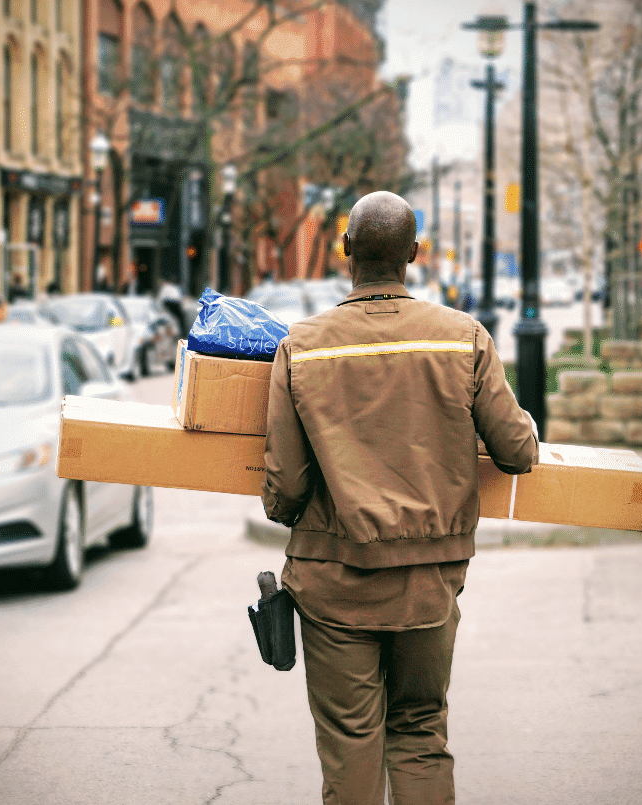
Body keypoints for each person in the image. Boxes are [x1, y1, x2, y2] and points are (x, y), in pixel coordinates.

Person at [262, 191, 539, 805]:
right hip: (428, 584)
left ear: (345, 253)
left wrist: (290, 513)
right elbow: (517, 452)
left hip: (332, 581)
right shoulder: (462, 338)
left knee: (351, 741)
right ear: (414, 254)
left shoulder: (302, 347)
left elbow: (283, 488)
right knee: (417, 731)